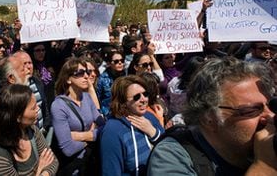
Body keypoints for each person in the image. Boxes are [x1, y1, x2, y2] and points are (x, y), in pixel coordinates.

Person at [147, 57, 277, 175]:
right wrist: (264, 168)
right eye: (251, 111)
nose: (270, 116)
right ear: (209, 118)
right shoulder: (173, 156)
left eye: (271, 106)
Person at [0, 84, 58, 175]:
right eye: (33, 107)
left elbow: (52, 161)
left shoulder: (32, 131)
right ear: (17, 117)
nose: (38, 109)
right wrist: (39, 170)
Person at [100, 75, 164, 176]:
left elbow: (167, 147)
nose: (143, 99)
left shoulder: (150, 117)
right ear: (123, 102)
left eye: (145, 94)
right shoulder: (112, 130)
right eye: (137, 97)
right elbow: (111, 171)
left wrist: (153, 132)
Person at [51, 57, 105, 175]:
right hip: (72, 168)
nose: (86, 76)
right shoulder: (58, 106)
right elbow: (68, 149)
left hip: (90, 162)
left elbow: (103, 127)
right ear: (68, 79)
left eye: (87, 72)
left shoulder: (87, 97)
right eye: (80, 73)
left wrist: (80, 136)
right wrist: (92, 137)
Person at [97, 50, 125, 117]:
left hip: (123, 113)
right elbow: (97, 98)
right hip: (107, 114)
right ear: (109, 63)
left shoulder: (126, 76)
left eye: (122, 60)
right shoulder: (102, 79)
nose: (120, 63)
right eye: (116, 61)